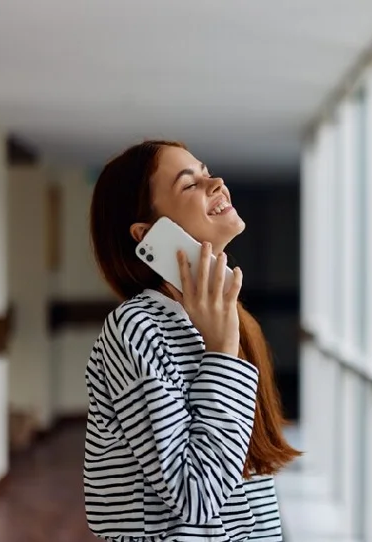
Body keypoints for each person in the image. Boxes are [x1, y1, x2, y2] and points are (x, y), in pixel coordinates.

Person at [84, 140, 300, 541]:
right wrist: (221, 354)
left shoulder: (227, 317)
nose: (216, 182)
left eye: (207, 171)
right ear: (147, 234)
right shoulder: (136, 329)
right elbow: (196, 497)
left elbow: (250, 485)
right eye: (190, 184)